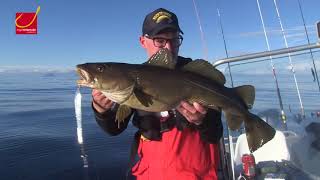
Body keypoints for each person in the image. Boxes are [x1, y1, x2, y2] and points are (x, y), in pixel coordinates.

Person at [91, 8, 223, 180]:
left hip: (197, 173)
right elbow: (114, 129)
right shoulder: (130, 79)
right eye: (159, 41)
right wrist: (101, 110)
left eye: (174, 40)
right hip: (152, 173)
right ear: (142, 41)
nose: (168, 47)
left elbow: (215, 134)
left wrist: (202, 120)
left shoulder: (197, 76)